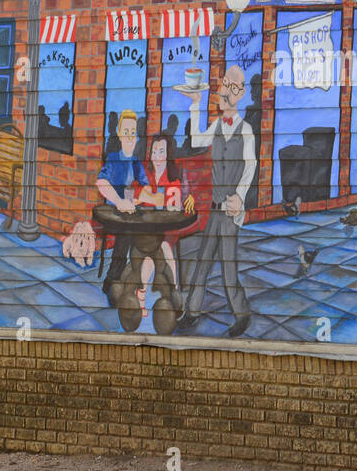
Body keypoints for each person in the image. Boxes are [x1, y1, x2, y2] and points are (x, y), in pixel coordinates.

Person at [177, 65, 256, 338]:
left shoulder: (245, 131)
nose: (229, 90)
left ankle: (242, 315)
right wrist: (196, 105)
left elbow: (250, 165)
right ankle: (192, 312)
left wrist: (242, 197)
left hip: (230, 212)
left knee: (228, 266)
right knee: (203, 262)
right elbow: (197, 139)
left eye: (235, 87)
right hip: (213, 210)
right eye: (226, 84)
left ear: (241, 93)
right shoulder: (217, 125)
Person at [132, 134, 196, 317]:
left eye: (161, 151)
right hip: (146, 230)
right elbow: (135, 195)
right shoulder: (145, 173)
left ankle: (173, 295)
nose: (157, 156)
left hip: (167, 230)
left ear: (168, 154)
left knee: (166, 250)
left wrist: (188, 199)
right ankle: (143, 295)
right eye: (154, 151)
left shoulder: (175, 176)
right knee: (151, 256)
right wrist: (143, 197)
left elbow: (184, 203)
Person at [95, 111, 148, 297]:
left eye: (133, 132)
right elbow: (101, 182)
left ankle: (130, 279)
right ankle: (112, 279)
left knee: (143, 234)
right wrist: (119, 202)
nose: (130, 137)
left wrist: (138, 199)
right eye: (126, 132)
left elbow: (147, 187)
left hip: (130, 212)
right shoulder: (113, 159)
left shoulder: (135, 162)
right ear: (119, 133)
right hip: (113, 212)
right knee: (126, 233)